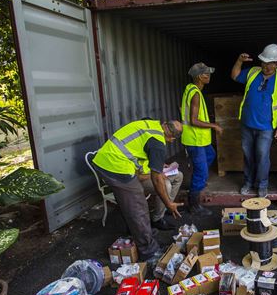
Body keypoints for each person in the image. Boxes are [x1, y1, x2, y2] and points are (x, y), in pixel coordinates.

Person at [90, 119, 184, 260]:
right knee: (138, 206)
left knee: (133, 202)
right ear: (171, 138)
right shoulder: (158, 143)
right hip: (115, 166)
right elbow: (156, 179)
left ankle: (138, 231)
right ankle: (149, 251)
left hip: (107, 160)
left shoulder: (151, 124)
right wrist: (168, 204)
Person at [230, 44, 277, 197]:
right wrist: (239, 61)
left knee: (262, 155)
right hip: (247, 124)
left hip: (266, 127)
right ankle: (248, 182)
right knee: (248, 155)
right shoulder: (253, 72)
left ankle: (262, 185)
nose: (266, 66)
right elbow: (234, 76)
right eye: (264, 62)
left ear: (276, 64)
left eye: (269, 63)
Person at [181, 62, 223, 216]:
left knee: (210, 155)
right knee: (201, 172)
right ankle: (194, 205)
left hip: (201, 140)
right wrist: (214, 126)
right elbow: (194, 120)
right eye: (207, 74)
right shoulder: (196, 94)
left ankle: (199, 178)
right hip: (195, 139)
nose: (209, 76)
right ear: (200, 77)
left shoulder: (190, 89)